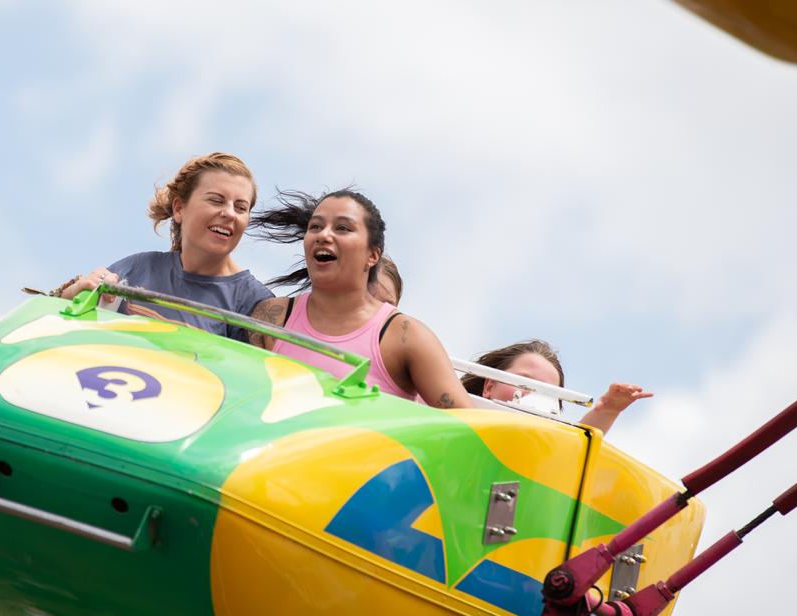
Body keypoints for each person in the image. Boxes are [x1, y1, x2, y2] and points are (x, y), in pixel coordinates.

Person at [247, 189, 472, 409]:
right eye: (315, 226)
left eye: (343, 228)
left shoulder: (406, 336)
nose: (324, 235)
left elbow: (469, 428)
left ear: (373, 255)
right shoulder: (271, 316)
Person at [48, 152, 275, 340]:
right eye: (216, 200)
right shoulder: (137, 269)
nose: (229, 213)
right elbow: (63, 331)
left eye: (241, 207)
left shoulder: (255, 302)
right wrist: (72, 293)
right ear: (179, 209)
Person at [461, 339, 650, 435]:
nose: (533, 394)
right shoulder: (454, 414)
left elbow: (574, 447)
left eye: (548, 392)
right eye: (524, 381)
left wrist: (608, 409)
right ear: (489, 386)